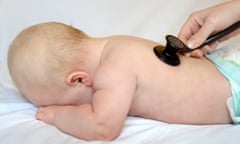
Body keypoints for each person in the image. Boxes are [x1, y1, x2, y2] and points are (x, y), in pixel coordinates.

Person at [8, 22, 239, 141]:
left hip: (232, 88)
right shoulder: (118, 43)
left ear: (79, 79)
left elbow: (103, 127)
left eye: (69, 103)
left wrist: (57, 115)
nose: (75, 107)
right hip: (225, 63)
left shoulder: (111, 72)